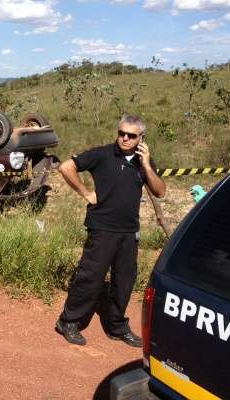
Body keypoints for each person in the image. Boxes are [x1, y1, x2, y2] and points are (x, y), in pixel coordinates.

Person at [55, 114, 166, 347]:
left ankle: (117, 326)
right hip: (102, 228)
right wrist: (86, 193)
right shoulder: (102, 155)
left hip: (129, 231)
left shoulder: (143, 162)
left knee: (124, 281)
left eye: (131, 135)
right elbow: (66, 167)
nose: (124, 138)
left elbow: (160, 191)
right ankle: (69, 321)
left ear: (141, 138)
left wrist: (146, 164)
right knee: (90, 277)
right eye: (121, 133)